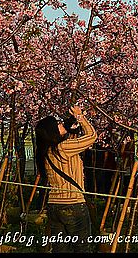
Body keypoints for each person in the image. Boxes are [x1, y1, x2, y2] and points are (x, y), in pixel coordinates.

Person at [35, 105, 97, 253]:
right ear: (52, 131)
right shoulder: (63, 148)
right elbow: (92, 137)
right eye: (56, 124)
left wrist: (72, 124)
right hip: (73, 204)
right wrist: (81, 117)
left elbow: (73, 139)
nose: (60, 124)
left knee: (60, 248)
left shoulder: (47, 151)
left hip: (54, 206)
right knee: (82, 248)